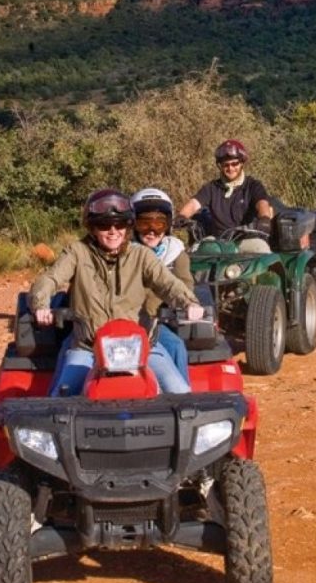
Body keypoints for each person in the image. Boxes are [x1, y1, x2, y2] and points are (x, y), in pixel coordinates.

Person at [28, 188, 203, 396]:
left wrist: (189, 303)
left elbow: (167, 283)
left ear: (128, 226)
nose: (113, 231)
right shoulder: (77, 252)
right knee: (61, 398)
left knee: (181, 392)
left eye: (119, 224)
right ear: (92, 227)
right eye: (104, 224)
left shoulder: (141, 255)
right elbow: (50, 279)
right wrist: (41, 305)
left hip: (143, 347)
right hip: (88, 347)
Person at [131, 187, 193, 381]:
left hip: (157, 321)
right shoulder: (123, 252)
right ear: (133, 225)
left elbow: (185, 286)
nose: (151, 231)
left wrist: (169, 303)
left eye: (159, 224)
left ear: (168, 226)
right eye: (144, 224)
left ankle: (183, 402)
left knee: (175, 346)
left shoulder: (176, 253)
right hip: (120, 320)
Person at [177, 139, 272, 253]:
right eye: (225, 165)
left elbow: (262, 204)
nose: (230, 168)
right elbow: (194, 204)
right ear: (220, 166)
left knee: (262, 250)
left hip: (245, 239)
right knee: (195, 253)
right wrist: (181, 216)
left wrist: (265, 219)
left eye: (234, 164)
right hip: (217, 241)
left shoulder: (253, 186)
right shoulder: (212, 188)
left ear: (242, 163)